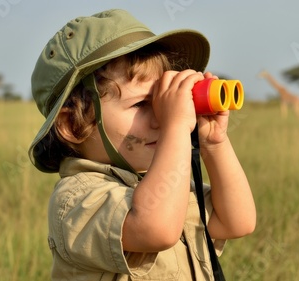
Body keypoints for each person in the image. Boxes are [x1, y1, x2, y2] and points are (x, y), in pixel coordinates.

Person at [28, 9, 256, 280]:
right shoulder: (76, 199)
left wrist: (214, 143)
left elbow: (237, 222)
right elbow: (155, 228)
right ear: (72, 125)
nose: (160, 117)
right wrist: (177, 127)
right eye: (141, 104)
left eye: (161, 102)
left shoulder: (162, 182)